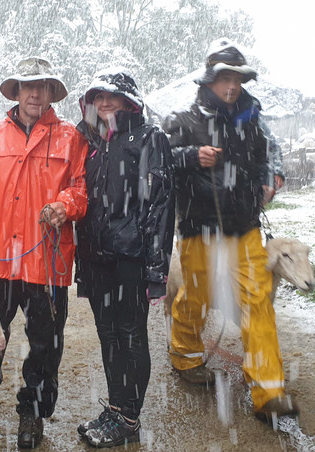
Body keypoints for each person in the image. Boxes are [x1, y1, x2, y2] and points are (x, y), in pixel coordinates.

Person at [0, 56, 88, 449]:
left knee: (46, 345)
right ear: (16, 92)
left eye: (41, 87)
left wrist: (65, 204)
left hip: (45, 261)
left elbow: (81, 189)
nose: (34, 93)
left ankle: (32, 414)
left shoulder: (70, 138)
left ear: (50, 94)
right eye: (27, 86)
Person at [162, 38, 299, 424]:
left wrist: (273, 177)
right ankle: (185, 354)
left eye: (237, 78)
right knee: (198, 297)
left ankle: (269, 393)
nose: (232, 85)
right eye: (224, 77)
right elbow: (157, 162)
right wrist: (190, 156)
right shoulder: (183, 121)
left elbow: (270, 156)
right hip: (198, 229)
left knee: (257, 303)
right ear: (209, 80)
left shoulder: (252, 119)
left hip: (245, 228)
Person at [74, 68, 175, 448]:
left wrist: (155, 269)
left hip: (130, 258)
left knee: (131, 336)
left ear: (128, 100)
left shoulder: (150, 138)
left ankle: (129, 416)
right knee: (108, 334)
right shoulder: (95, 144)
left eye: (110, 97)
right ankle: (115, 408)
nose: (103, 104)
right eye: (97, 98)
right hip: (98, 258)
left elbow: (161, 206)